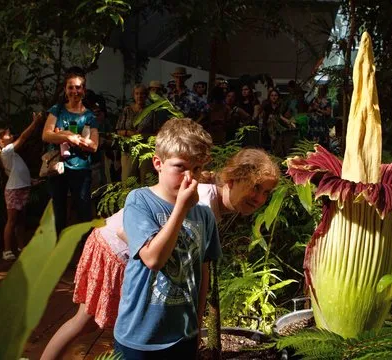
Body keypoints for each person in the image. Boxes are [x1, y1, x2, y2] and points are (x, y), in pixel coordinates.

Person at [39, 147, 280, 359]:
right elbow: (130, 232)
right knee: (86, 321)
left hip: (135, 253)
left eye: (266, 192)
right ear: (233, 178)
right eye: (255, 187)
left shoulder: (212, 204)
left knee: (89, 323)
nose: (259, 198)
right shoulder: (199, 200)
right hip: (114, 247)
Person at [114, 118, 219, 358]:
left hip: (183, 335)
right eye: (180, 167)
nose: (189, 178)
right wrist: (181, 209)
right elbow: (153, 259)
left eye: (196, 169)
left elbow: (203, 271)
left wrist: (196, 324)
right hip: (139, 337)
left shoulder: (204, 215)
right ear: (158, 163)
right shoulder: (140, 201)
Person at [42, 67, 99, 235]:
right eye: (71, 87)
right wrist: (69, 138)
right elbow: (46, 135)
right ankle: (57, 250)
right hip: (58, 167)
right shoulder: (57, 110)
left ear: (84, 90)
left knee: (83, 209)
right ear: (65, 90)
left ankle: (85, 251)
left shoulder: (89, 116)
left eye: (78, 87)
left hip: (80, 168)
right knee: (57, 209)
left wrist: (63, 135)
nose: (75, 91)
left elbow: (94, 146)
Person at [0, 112, 44, 260]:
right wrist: (35, 123)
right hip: (14, 190)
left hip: (22, 188)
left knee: (20, 220)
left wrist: (31, 180)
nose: (11, 135)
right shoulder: (6, 152)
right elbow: (24, 137)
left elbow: (18, 172)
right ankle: (6, 250)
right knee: (12, 220)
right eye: (7, 134)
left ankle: (21, 246)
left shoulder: (12, 155)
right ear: (0, 142)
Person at [116, 84, 155, 183]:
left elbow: (156, 133)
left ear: (146, 96)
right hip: (128, 149)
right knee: (128, 179)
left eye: (142, 94)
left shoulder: (151, 111)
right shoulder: (127, 110)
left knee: (146, 180)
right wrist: (128, 133)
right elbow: (118, 130)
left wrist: (144, 136)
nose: (139, 96)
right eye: (137, 93)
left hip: (145, 149)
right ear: (133, 95)